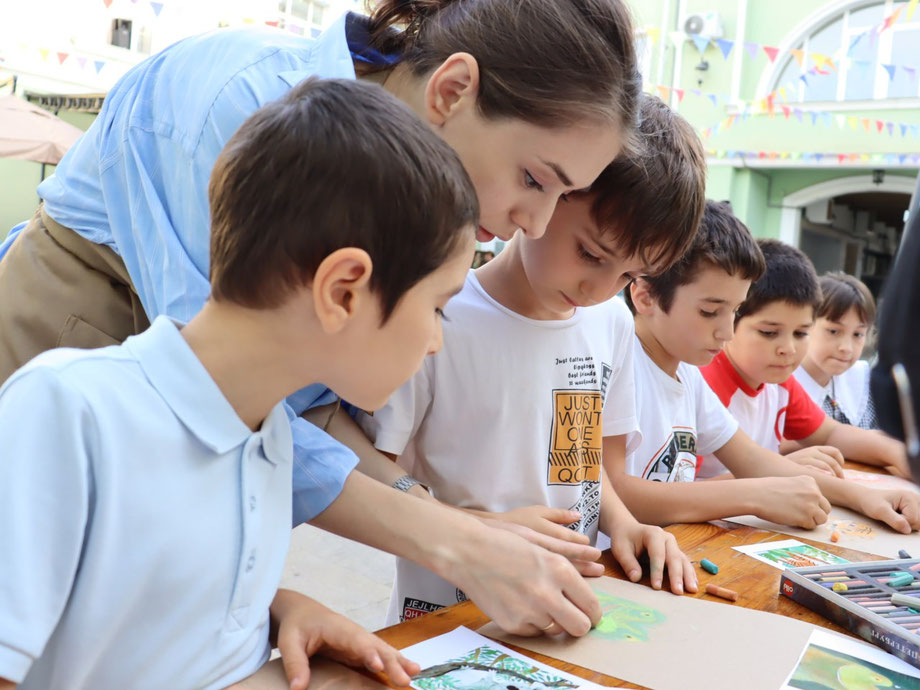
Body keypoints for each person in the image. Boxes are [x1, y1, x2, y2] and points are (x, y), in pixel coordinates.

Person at [0, 0, 642, 634]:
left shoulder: (271, 431)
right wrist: (456, 541)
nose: (531, 225)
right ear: (452, 91)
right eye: (533, 179)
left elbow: (283, 424)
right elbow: (231, 399)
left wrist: (276, 609)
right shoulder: (241, 103)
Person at [0, 78, 480, 690]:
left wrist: (277, 611)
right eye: (438, 306)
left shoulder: (268, 436)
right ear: (343, 291)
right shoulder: (68, 412)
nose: (437, 340)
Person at [357, 94, 706, 625]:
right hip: (448, 617)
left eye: (629, 276)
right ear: (548, 188)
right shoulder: (437, 315)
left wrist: (624, 523)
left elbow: (584, 461)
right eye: (590, 254)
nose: (598, 288)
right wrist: (470, 529)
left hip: (569, 606)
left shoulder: (610, 324)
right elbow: (370, 468)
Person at [611, 201, 919, 532]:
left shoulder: (685, 373)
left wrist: (863, 497)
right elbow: (613, 490)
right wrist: (752, 495)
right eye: (710, 311)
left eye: (735, 310)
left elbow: (754, 461)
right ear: (646, 297)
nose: (727, 331)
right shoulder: (620, 364)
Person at [697, 239, 912, 484]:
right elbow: (683, 491)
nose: (788, 349)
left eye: (801, 333)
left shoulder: (779, 383)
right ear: (729, 318)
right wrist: (780, 469)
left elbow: (830, 433)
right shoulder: (704, 385)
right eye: (769, 333)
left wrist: (900, 455)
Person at [795, 272, 878, 430]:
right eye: (833, 331)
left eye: (858, 334)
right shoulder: (778, 385)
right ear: (806, 324)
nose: (846, 348)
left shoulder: (865, 382)